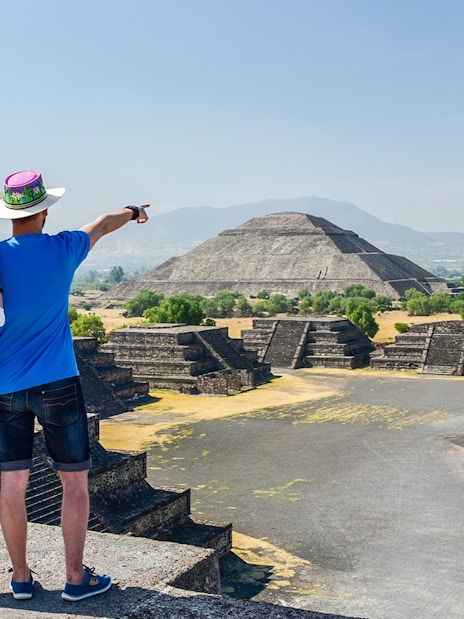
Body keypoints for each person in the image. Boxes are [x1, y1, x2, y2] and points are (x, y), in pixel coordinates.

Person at [0, 170, 149, 601]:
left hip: (5, 387)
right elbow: (104, 221)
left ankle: (22, 579)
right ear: (44, 210)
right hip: (58, 384)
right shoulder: (65, 248)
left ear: (10, 214)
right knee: (75, 482)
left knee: (11, 483)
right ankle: (74, 578)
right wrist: (134, 211)